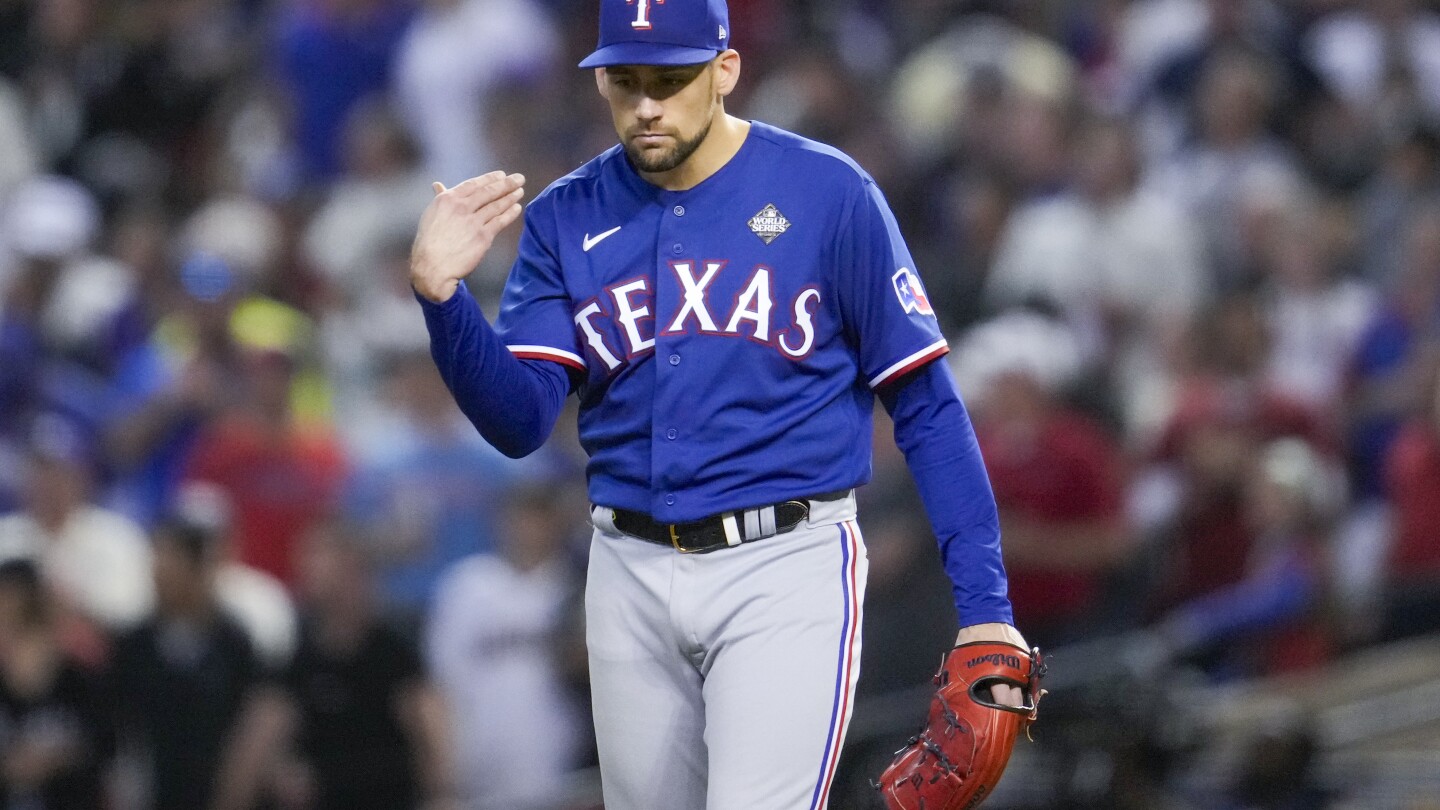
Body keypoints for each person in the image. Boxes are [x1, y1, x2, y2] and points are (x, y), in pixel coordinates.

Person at [407, 1, 1025, 807]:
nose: (647, 104)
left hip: (785, 562)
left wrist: (986, 607)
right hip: (625, 566)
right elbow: (522, 423)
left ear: (725, 70)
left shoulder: (828, 192)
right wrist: (444, 300)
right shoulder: (567, 215)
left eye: (671, 79)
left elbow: (927, 406)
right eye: (625, 82)